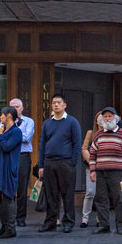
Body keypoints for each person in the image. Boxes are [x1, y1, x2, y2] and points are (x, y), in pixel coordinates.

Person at [37, 94, 82, 233]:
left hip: (66, 162)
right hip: (49, 162)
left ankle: (68, 222)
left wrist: (72, 162)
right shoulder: (47, 123)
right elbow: (42, 144)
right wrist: (41, 165)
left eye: (58, 102)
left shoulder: (72, 122)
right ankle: (50, 222)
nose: (56, 105)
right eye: (54, 103)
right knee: (51, 194)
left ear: (64, 105)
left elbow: (77, 143)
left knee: (67, 194)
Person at [89, 106, 122, 235]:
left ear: (115, 118)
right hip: (101, 172)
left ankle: (120, 225)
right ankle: (104, 225)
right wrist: (92, 170)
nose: (107, 119)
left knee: (118, 199)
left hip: (117, 172)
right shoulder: (98, 135)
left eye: (110, 116)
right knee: (101, 199)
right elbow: (92, 153)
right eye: (105, 117)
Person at [0, 106, 24, 239]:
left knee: (8, 197)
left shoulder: (16, 132)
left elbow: (7, 147)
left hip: (7, 169)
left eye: (2, 115)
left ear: (9, 115)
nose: (0, 117)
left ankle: (11, 228)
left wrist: (1, 135)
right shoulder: (2, 130)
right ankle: (4, 225)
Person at [9, 98, 35, 227]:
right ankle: (10, 217)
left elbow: (26, 138)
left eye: (17, 106)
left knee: (22, 188)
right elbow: (2, 137)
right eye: (12, 107)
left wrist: (11, 134)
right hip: (9, 156)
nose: (14, 109)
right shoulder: (4, 122)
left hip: (23, 156)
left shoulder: (29, 121)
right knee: (9, 188)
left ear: (22, 108)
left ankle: (21, 218)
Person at [79, 113, 102, 228]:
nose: (102, 121)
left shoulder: (109, 133)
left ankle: (100, 218)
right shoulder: (91, 133)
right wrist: (90, 160)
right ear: (96, 121)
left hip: (104, 168)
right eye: (99, 119)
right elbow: (84, 147)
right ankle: (85, 218)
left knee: (101, 194)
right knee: (90, 193)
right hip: (91, 167)